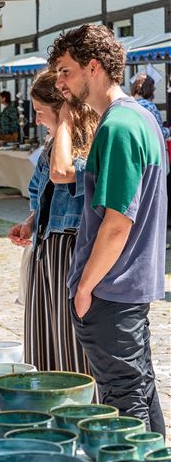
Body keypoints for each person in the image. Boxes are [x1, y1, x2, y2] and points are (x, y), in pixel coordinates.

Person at [50, 24, 166, 434]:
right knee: (138, 391)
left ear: (93, 68)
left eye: (65, 71)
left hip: (111, 289)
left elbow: (118, 223)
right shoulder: (140, 117)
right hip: (124, 288)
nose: (60, 82)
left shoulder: (119, 126)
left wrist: (84, 288)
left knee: (123, 399)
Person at [7, 70, 99, 374]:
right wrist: (31, 223)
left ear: (61, 107)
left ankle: (75, 409)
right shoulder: (51, 147)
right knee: (45, 337)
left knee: (69, 342)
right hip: (48, 247)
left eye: (39, 112)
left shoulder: (90, 143)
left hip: (70, 249)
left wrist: (64, 123)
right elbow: (42, 194)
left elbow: (66, 176)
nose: (35, 121)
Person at [131, 74, 170, 139]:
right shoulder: (150, 107)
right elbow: (158, 134)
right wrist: (168, 130)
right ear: (149, 89)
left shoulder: (128, 104)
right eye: (153, 88)